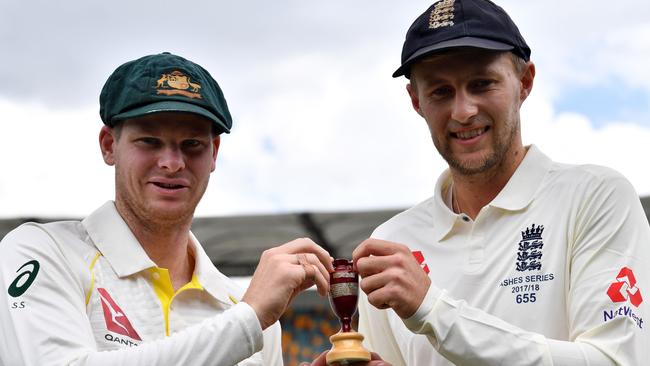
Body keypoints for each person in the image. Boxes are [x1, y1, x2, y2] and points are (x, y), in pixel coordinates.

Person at [0, 52, 354, 366]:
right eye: (150, 141)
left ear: (214, 153)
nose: (172, 163)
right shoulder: (41, 253)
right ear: (109, 145)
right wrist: (247, 319)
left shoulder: (244, 308)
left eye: (192, 144)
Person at [352, 0, 650, 365]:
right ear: (416, 101)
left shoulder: (596, 197)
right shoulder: (392, 243)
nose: (463, 111)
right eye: (440, 92)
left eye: (482, 84)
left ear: (525, 82)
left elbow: (614, 361)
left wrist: (432, 310)